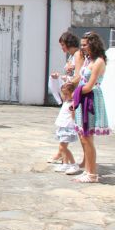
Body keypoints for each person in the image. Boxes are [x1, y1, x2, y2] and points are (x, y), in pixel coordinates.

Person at [71, 32, 109, 183]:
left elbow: (89, 86)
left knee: (87, 137)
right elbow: (81, 80)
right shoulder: (88, 60)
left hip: (90, 99)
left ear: (93, 44)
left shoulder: (99, 61)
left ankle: (92, 174)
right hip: (83, 98)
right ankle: (88, 170)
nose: (82, 47)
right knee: (83, 136)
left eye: (85, 44)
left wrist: (75, 96)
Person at [48, 31, 82, 163]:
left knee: (68, 125)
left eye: (63, 44)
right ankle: (61, 152)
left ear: (68, 44)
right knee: (64, 126)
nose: (62, 47)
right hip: (69, 93)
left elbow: (78, 76)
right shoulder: (71, 56)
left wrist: (68, 81)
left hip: (73, 95)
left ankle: (64, 155)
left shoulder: (78, 55)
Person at [52, 82, 79, 174]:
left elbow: (74, 116)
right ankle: (65, 164)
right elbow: (55, 89)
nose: (65, 95)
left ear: (73, 92)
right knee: (62, 147)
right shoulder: (66, 101)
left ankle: (73, 165)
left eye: (67, 93)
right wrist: (55, 79)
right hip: (62, 127)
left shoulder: (73, 103)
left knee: (63, 147)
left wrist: (75, 126)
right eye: (63, 94)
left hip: (68, 127)